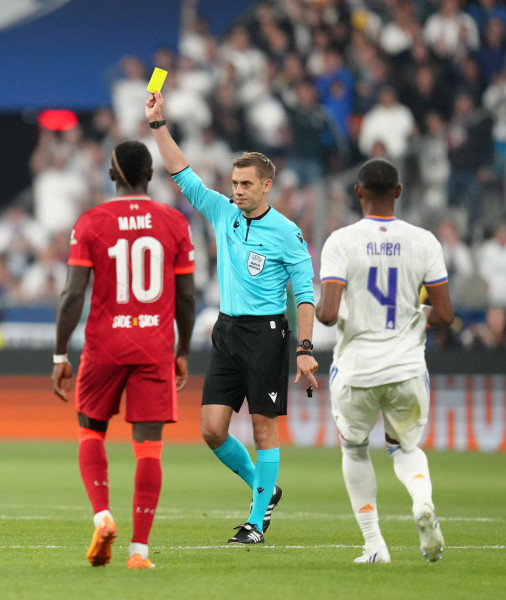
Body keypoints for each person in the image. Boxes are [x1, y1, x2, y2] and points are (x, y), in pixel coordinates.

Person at [145, 91, 318, 545]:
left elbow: (304, 293)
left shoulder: (286, 233)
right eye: (234, 183)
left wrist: (304, 349)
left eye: (245, 184)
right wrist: (159, 125)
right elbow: (183, 175)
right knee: (211, 429)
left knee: (264, 427)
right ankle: (267, 490)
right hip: (227, 330)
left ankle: (256, 523)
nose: (237, 190)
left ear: (266, 187)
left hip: (267, 334)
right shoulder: (223, 213)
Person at [52, 140, 197, 569]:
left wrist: (60, 354)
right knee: (149, 448)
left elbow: (72, 294)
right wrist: (182, 349)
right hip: (154, 346)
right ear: (150, 176)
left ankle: (102, 515)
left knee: (90, 433)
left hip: (103, 347)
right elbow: (187, 298)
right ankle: (139, 552)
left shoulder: (92, 221)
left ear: (112, 176)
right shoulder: (174, 221)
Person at [315, 158, 454, 564]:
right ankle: (422, 502)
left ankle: (375, 545)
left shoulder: (341, 241)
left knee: (355, 449)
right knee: (405, 446)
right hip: (407, 366)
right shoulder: (424, 240)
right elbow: (445, 314)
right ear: (398, 192)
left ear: (357, 192)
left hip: (357, 367)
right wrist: (418, 315)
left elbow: (326, 313)